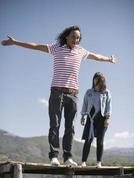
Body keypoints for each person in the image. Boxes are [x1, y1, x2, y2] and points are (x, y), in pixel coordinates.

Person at [1, 25, 115, 167]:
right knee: (54, 124)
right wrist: (15, 42)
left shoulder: (81, 52)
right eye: (73, 36)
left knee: (70, 127)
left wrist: (108, 59)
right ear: (66, 36)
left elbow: (96, 57)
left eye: (78, 37)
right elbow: (36, 46)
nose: (76, 39)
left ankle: (67, 157)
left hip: (73, 94)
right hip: (57, 92)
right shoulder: (56, 48)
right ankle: (54, 156)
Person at [81, 72, 112, 168]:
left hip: (102, 118)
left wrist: (107, 118)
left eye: (98, 79)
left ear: (102, 80)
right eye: (95, 78)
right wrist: (83, 116)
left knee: (100, 141)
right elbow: (85, 104)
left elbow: (109, 105)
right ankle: (83, 162)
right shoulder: (88, 92)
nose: (96, 81)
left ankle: (99, 162)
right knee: (88, 140)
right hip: (91, 119)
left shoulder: (106, 92)